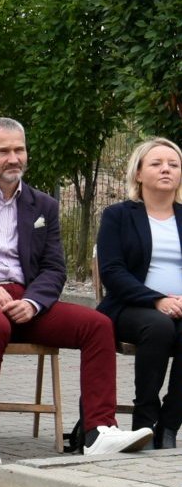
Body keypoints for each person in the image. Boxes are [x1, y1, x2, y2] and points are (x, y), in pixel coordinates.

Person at [0, 118, 150, 466]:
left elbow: (53, 268)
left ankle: (98, 432)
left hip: (24, 300)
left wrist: (33, 302)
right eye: (3, 151)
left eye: (19, 150)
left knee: (97, 325)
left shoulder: (43, 205)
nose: (13, 158)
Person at [96, 137, 182, 449]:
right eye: (157, 164)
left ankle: (169, 425)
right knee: (159, 326)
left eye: (173, 165)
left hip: (180, 307)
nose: (166, 169)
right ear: (138, 173)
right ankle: (145, 420)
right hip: (130, 307)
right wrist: (157, 300)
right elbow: (112, 272)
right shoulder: (119, 215)